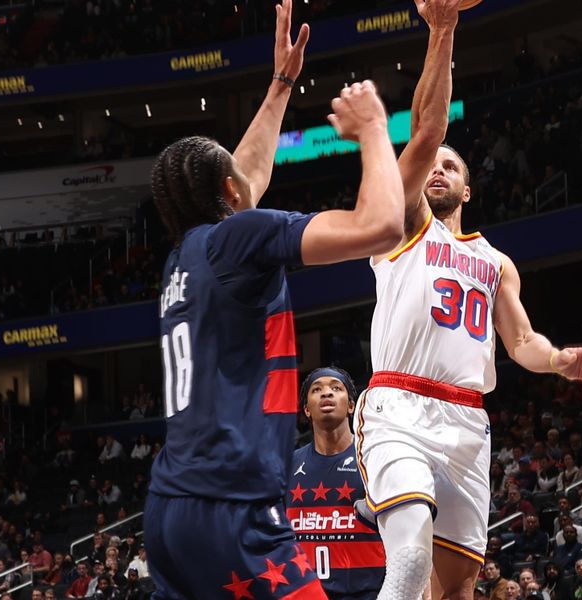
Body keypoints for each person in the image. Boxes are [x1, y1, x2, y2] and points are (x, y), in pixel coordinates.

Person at [142, 1, 405, 597]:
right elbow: (382, 225)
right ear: (231, 194)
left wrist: (281, 85)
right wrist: (372, 128)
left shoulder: (184, 257)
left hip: (168, 510)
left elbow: (244, 178)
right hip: (233, 514)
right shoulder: (236, 238)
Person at [355, 3, 582, 599]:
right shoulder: (406, 225)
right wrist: (442, 31)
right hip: (399, 404)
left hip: (467, 418)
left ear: (469, 188)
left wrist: (559, 360)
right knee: (412, 550)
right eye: (434, 168)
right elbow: (426, 132)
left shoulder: (496, 262)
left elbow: (521, 341)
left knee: (457, 586)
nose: (438, 170)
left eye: (452, 167)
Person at [286, 367, 385, 599]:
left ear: (351, 406)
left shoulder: (374, 459)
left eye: (336, 388)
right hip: (305, 593)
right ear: (306, 410)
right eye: (317, 389)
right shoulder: (286, 465)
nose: (326, 393)